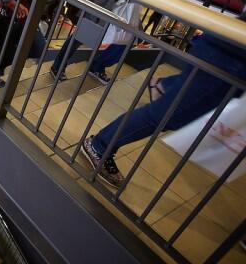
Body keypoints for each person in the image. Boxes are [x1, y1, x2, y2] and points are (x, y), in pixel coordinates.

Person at [82, 11, 246, 188]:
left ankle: (165, 87)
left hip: (227, 54)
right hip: (230, 59)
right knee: (168, 115)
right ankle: (101, 144)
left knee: (174, 111)